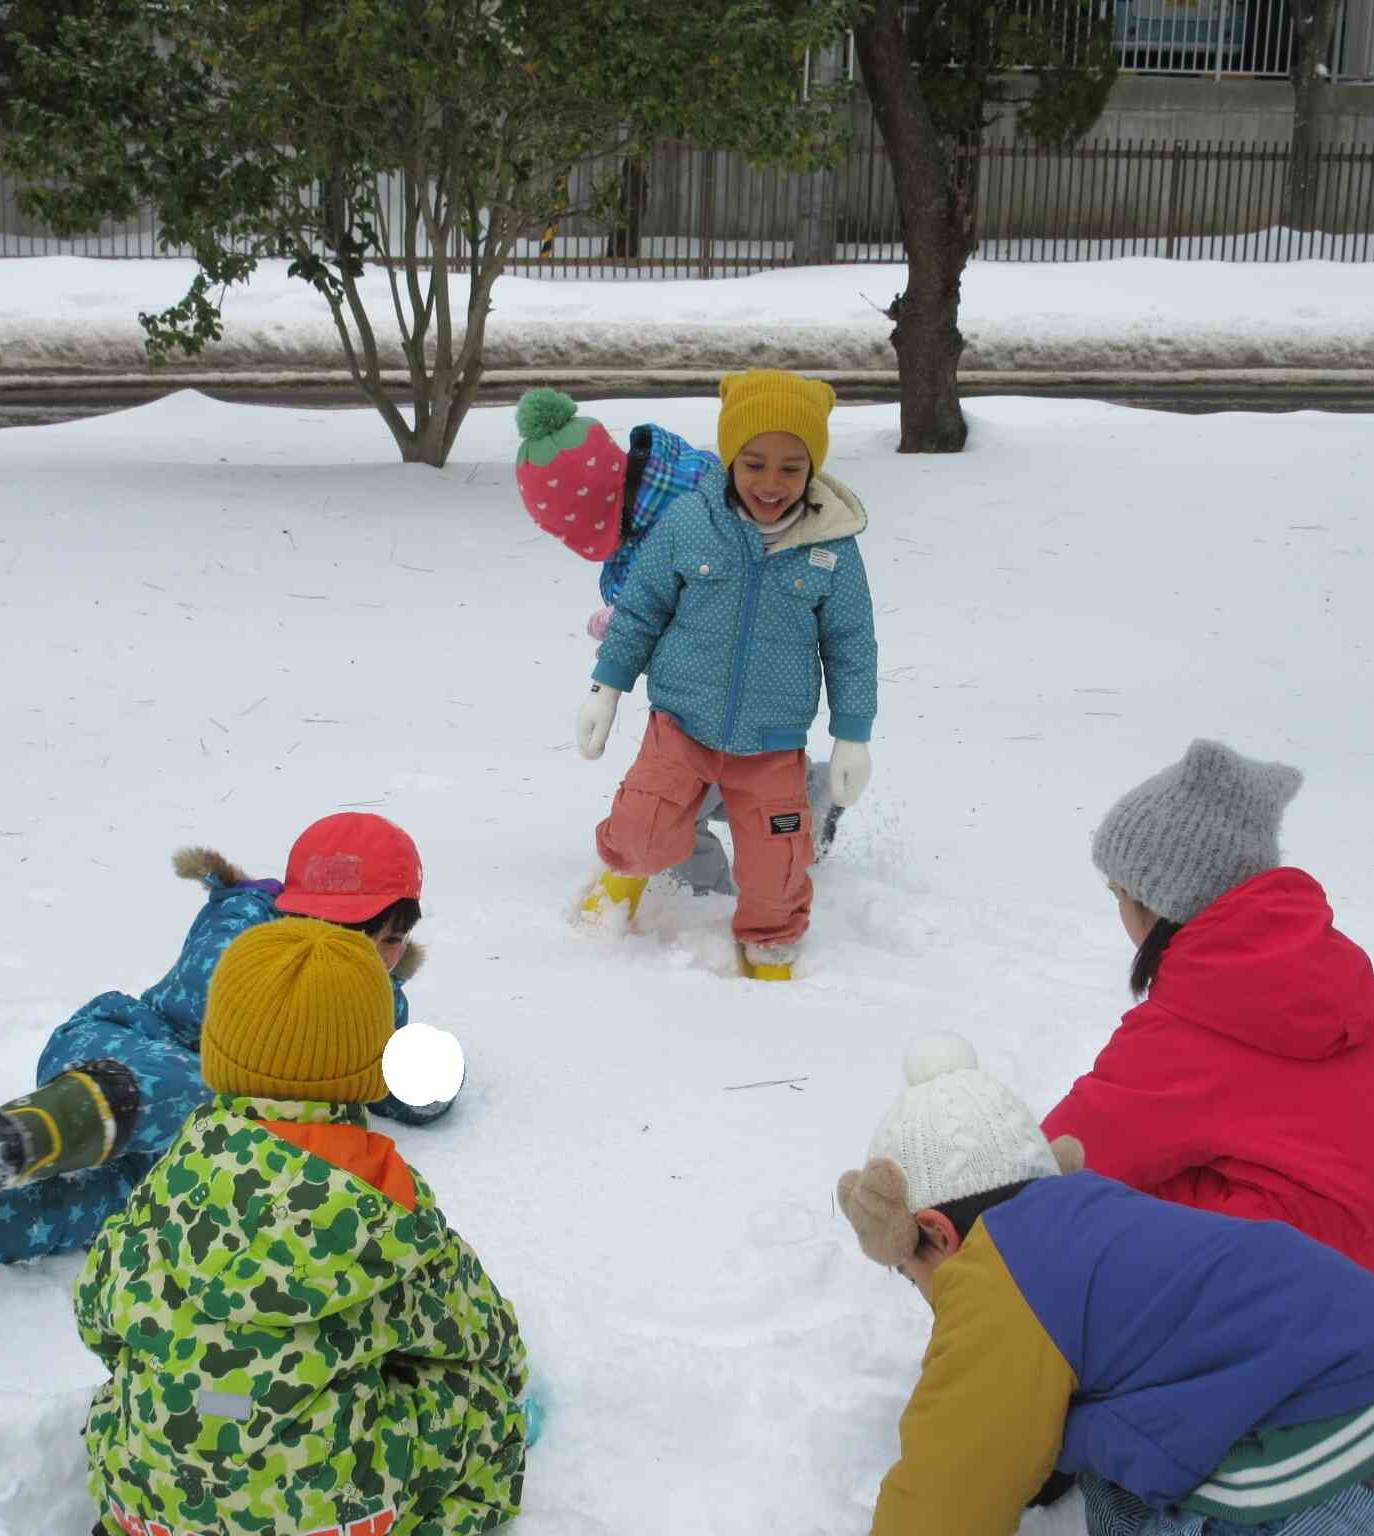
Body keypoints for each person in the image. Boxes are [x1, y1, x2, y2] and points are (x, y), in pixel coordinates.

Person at [0, 812, 454, 1308]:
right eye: (338, 929)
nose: (361, 954)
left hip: (195, 1147)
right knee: (199, 1095)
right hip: (118, 1057)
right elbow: (245, 1044)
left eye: (385, 940)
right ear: (291, 909)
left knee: (105, 1203)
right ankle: (18, 1137)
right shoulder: (242, 935)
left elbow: (397, 1080)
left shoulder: (376, 996)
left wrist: (426, 1080)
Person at [835, 1034, 1374, 1536]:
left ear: (938, 1234)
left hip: (1339, 1463)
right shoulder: (1092, 1216)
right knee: (1104, 1468)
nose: (926, 1296)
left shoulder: (995, 1274)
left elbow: (956, 1476)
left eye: (910, 1274)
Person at [79, 918, 530, 1536]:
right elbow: (478, 1334)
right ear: (374, 1063)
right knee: (485, 1406)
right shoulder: (384, 1204)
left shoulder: (172, 1179)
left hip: (149, 1505)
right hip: (328, 1513)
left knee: (133, 1395)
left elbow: (98, 1318)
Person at [1041, 739, 1374, 1287]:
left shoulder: (1188, 1024)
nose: (1118, 909)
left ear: (1161, 902)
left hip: (1318, 1285)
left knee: (1093, 1207)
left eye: (1119, 892)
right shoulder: (1337, 971)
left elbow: (1054, 1160)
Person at [570, 369, 878, 980]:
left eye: (791, 467)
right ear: (731, 457)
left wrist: (853, 732)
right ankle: (621, 871)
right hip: (680, 725)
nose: (771, 482)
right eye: (755, 463)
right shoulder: (688, 522)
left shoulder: (832, 546)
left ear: (812, 468)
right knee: (643, 833)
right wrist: (605, 689)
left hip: (772, 743)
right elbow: (640, 610)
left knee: (775, 867)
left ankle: (769, 937)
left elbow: (851, 642)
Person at [512, 387, 841, 899]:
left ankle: (703, 898)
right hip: (696, 698)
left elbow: (721, 608)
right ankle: (809, 797)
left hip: (733, 693)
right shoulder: (656, 503)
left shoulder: (695, 515)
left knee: (679, 806)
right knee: (712, 787)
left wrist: (626, 624)